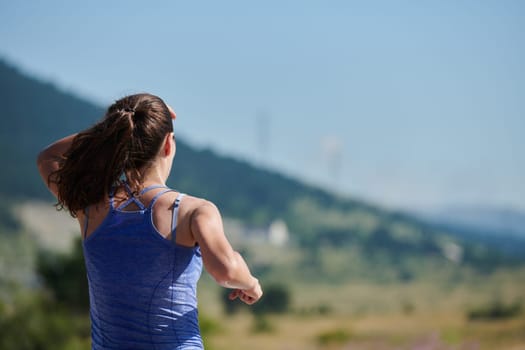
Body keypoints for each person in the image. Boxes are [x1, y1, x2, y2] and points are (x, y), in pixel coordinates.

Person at [36, 93, 263, 349]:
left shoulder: (91, 208)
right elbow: (226, 270)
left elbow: (48, 158)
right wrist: (251, 283)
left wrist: (112, 131)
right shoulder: (192, 211)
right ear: (169, 144)